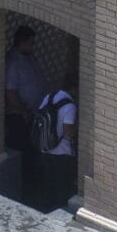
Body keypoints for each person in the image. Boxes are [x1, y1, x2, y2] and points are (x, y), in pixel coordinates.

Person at [35, 72, 78, 212]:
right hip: (62, 152)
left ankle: (45, 206)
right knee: (62, 184)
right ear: (74, 89)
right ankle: (58, 208)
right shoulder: (70, 106)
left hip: (45, 147)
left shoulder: (50, 96)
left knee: (48, 181)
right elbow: (68, 131)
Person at [4, 26, 46, 152]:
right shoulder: (13, 62)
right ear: (22, 43)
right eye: (31, 43)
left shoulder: (29, 57)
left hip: (32, 112)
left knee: (31, 146)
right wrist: (23, 111)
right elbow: (10, 91)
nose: (32, 46)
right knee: (19, 147)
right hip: (19, 115)